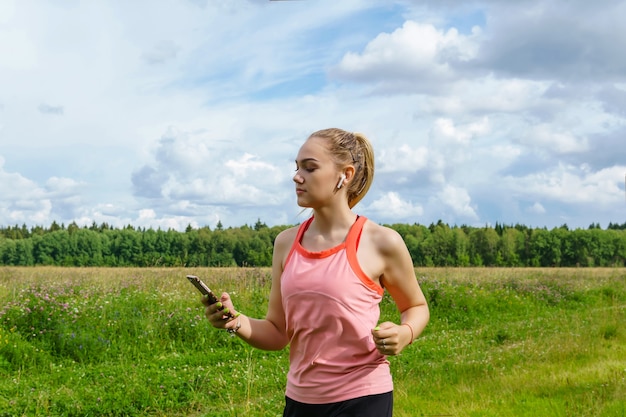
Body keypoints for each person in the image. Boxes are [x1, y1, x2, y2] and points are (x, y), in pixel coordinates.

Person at [204, 128, 429, 417]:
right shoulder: (285, 244)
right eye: (297, 168)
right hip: (300, 401)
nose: (297, 177)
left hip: (363, 398)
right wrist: (235, 321)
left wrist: (405, 332)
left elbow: (416, 306)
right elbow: (277, 332)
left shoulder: (382, 241)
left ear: (345, 175)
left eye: (310, 168)